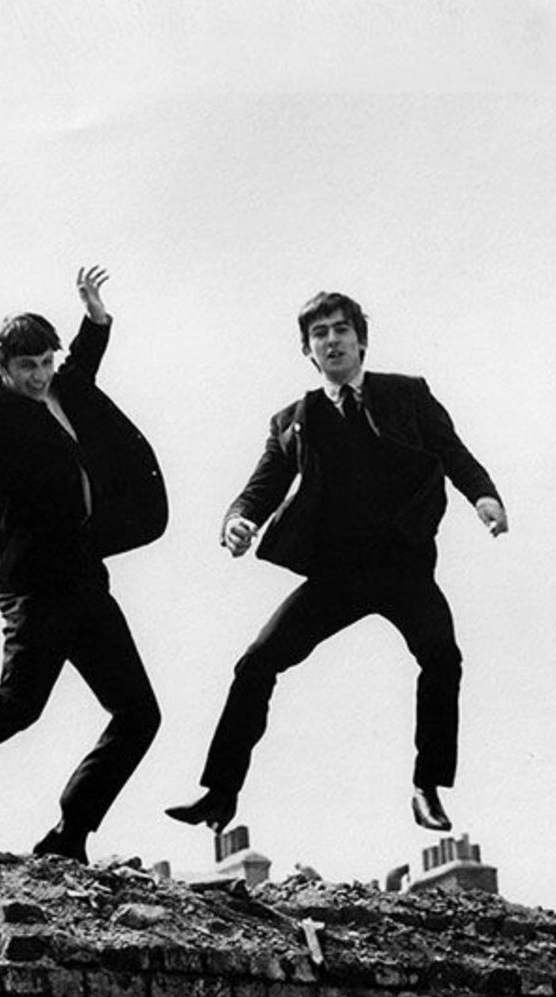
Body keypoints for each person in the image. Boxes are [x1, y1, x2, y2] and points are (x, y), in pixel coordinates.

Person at [167, 291, 506, 835]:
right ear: (308, 350)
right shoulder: (293, 420)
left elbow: (453, 452)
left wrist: (484, 497)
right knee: (256, 663)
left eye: (341, 330)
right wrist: (237, 522)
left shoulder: (407, 395)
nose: (332, 340)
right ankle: (220, 792)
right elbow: (260, 488)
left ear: (361, 340)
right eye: (319, 333)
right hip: (337, 575)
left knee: (442, 656)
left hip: (404, 567)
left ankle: (428, 786)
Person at [0, 267, 168, 863]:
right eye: (27, 367)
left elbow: (85, 359)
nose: (39, 376)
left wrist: (95, 316)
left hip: (86, 581)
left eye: (45, 362)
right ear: (2, 367)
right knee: (15, 710)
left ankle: (68, 836)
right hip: (35, 587)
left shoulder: (66, 388)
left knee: (138, 714)